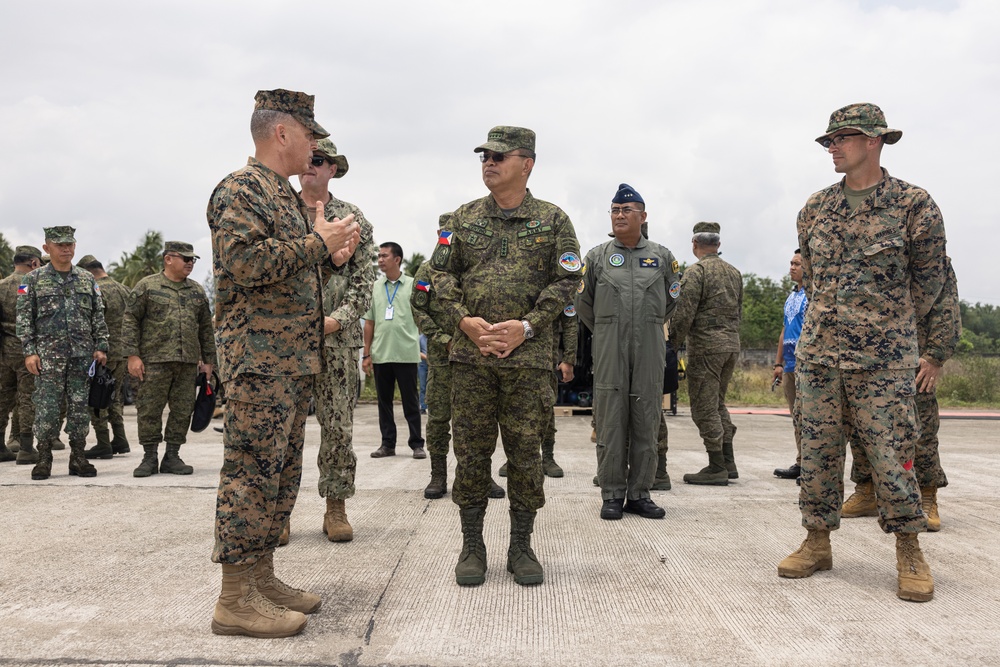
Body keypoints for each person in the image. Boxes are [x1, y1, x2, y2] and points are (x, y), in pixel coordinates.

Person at [777, 103, 949, 603]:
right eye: (828, 141)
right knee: (816, 452)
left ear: (874, 141)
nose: (832, 147)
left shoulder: (914, 205)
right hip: (818, 357)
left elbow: (931, 285)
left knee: (893, 456)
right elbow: (809, 275)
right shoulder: (815, 208)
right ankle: (816, 540)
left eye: (842, 139)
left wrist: (911, 341)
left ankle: (909, 549)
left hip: (884, 359)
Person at [207, 88, 360, 638]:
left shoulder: (283, 196)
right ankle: (233, 598)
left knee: (280, 474)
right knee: (250, 476)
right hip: (258, 361)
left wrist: (328, 250)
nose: (316, 144)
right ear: (282, 133)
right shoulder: (240, 190)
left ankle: (262, 579)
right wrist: (317, 244)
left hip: (293, 361)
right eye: (310, 134)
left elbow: (291, 268)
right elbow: (245, 263)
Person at [431, 125, 581, 587]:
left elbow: (567, 281)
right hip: (472, 360)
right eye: (484, 156)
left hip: (527, 362)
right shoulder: (461, 218)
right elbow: (438, 276)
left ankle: (521, 546)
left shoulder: (553, 221)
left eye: (499, 155)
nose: (488, 162)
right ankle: (472, 545)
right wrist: (464, 322)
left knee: (524, 454)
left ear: (527, 163)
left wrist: (527, 326)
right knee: (471, 453)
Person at [577, 183, 680, 520]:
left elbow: (672, 301)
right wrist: (609, 329)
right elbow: (583, 304)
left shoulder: (663, 258)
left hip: (650, 346)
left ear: (643, 216)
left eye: (627, 210)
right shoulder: (596, 257)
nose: (619, 215)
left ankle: (639, 494)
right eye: (615, 210)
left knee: (646, 419)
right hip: (608, 347)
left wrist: (648, 326)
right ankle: (611, 494)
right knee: (610, 421)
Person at [841, 257, 961, 531]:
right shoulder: (864, 255)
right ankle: (867, 490)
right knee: (861, 427)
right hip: (866, 354)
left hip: (913, 356)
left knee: (921, 427)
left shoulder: (932, 259)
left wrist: (935, 356)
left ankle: (927, 495)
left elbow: (947, 309)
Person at [298, 137, 377, 544]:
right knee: (284, 428)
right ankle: (278, 511)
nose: (311, 165)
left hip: (338, 340)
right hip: (289, 341)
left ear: (333, 169)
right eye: (308, 158)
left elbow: (365, 281)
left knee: (338, 427)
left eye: (320, 160)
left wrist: (338, 320)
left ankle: (336, 505)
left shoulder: (351, 216)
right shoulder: (282, 211)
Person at [411, 216, 506, 501]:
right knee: (439, 418)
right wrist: (443, 340)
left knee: (478, 421)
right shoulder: (427, 271)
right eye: (446, 232)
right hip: (442, 358)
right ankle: (438, 476)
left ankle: (480, 475)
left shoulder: (476, 268)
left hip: (476, 357)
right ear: (439, 233)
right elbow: (419, 311)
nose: (451, 237)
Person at [15, 226, 108, 481]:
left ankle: (78, 457)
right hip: (47, 357)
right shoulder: (32, 280)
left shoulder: (86, 279)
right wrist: (29, 352)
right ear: (47, 248)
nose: (66, 248)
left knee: (79, 408)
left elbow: (98, 315)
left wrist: (101, 346)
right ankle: (44, 458)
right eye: (60, 245)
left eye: (70, 244)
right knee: (46, 407)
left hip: (82, 356)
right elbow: (24, 319)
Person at [122, 241, 217, 477]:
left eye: (192, 259)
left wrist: (208, 361)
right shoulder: (147, 286)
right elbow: (130, 319)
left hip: (186, 363)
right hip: (154, 360)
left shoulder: (196, 291)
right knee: (149, 410)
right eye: (185, 259)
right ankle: (149, 457)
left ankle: (172, 456)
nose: (190, 263)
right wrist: (132, 356)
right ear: (168, 259)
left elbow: (205, 327)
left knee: (183, 410)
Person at [667, 222, 743, 486]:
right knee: (718, 403)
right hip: (731, 345)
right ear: (718, 245)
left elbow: (684, 313)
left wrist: (671, 345)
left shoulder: (695, 272)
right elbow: (739, 311)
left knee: (703, 406)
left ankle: (716, 466)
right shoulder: (734, 272)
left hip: (706, 348)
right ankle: (729, 461)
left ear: (694, 244)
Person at [363, 241, 425, 459]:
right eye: (378, 256)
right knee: (384, 403)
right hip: (381, 354)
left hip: (406, 353)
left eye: (384, 256)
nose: (380, 260)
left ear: (397, 259)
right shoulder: (375, 287)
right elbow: (369, 322)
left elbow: (423, 314)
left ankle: (417, 444)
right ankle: (387, 444)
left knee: (411, 402)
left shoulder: (412, 284)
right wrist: (367, 354)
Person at [77, 255, 133, 459]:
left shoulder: (95, 290)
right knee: (113, 396)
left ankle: (103, 443)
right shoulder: (124, 289)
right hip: (124, 352)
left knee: (96, 396)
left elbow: (91, 322)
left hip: (102, 353)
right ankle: (119, 438)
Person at [0, 245, 43, 463]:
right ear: (34, 263)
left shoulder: (2, 285)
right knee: (27, 398)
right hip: (28, 351)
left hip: (4, 351)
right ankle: (26, 447)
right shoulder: (33, 285)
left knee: (3, 397)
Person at [772, 249, 808, 481]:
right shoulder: (791, 296)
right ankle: (801, 461)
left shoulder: (812, 296)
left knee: (809, 416)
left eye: (797, 264)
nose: (792, 267)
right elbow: (785, 330)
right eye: (791, 263)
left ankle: (813, 466)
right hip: (789, 366)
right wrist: (778, 363)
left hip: (806, 365)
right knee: (796, 416)